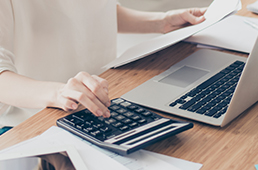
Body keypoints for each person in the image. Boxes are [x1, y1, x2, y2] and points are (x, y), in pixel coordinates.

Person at [0, 0, 207, 135]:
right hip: (32, 122)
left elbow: (98, 9)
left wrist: (162, 22)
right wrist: (59, 92)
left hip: (103, 103)